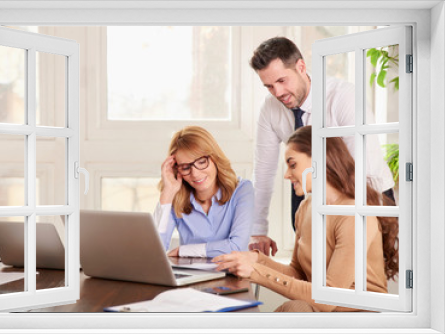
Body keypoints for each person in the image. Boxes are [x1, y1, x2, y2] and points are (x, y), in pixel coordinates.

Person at [213, 126, 399, 312]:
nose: (286, 174)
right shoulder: (306, 208)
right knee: (294, 309)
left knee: (294, 310)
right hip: (324, 311)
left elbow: (329, 298)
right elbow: (298, 273)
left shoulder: (354, 214)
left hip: (358, 316)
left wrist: (256, 272)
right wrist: (256, 259)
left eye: (292, 164)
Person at [248, 37, 395, 255]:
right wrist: (258, 229)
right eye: (269, 86)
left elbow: (364, 169)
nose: (277, 93)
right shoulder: (270, 109)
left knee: (360, 277)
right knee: (311, 272)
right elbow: (263, 172)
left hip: (365, 191)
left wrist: (357, 222)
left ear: (301, 67)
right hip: (309, 194)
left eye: (282, 81)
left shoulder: (343, 97)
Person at [153, 126, 254, 258]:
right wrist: (167, 193)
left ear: (214, 159)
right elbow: (154, 251)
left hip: (232, 277)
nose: (195, 174)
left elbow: (237, 247)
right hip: (191, 277)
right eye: (185, 167)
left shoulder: (242, 190)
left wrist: (184, 251)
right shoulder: (176, 198)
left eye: (201, 162)